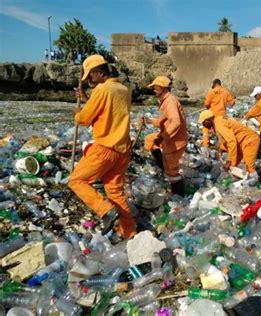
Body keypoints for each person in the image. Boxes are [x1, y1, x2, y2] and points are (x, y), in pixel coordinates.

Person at [69, 54, 136, 239]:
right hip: (122, 151)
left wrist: (78, 113)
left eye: (90, 76)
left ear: (99, 72)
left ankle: (106, 211)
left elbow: (85, 118)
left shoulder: (101, 89)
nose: (89, 80)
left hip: (104, 149)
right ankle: (129, 232)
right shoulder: (123, 89)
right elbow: (106, 112)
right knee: (115, 192)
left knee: (76, 181)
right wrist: (85, 99)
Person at [144, 76, 188, 197]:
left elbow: (176, 122)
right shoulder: (165, 100)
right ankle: (163, 167)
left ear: (162, 88)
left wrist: (162, 137)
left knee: (172, 170)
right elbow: (161, 121)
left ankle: (179, 197)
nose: (153, 90)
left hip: (176, 140)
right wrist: (149, 121)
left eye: (155, 88)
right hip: (170, 137)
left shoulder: (170, 102)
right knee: (149, 140)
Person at [199, 110, 259, 180]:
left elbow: (232, 142)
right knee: (234, 167)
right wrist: (221, 149)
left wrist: (229, 161)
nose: (203, 125)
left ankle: (255, 183)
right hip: (241, 142)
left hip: (250, 141)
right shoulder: (216, 122)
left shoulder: (219, 125)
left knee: (248, 167)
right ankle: (240, 183)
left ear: (208, 119)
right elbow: (225, 139)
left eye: (204, 123)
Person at [202, 79, 235, 157]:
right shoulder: (225, 91)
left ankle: (205, 147)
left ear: (214, 84)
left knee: (205, 129)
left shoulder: (211, 92)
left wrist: (209, 106)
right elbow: (232, 103)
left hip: (211, 115)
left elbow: (206, 104)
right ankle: (221, 149)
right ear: (220, 84)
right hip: (221, 115)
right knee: (219, 133)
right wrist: (233, 100)